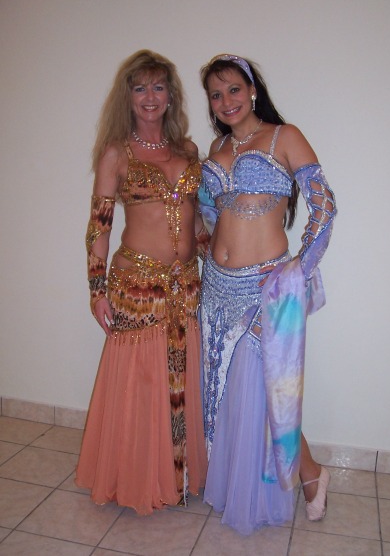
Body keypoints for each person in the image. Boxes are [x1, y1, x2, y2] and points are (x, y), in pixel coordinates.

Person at [198, 54, 337, 535]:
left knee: (271, 394)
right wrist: (207, 253)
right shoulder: (215, 148)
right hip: (217, 288)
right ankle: (246, 483)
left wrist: (298, 268)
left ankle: (311, 473)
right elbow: (209, 215)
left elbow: (324, 206)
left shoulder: (285, 136)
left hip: (266, 288)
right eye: (216, 95)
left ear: (253, 89)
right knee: (232, 396)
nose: (226, 101)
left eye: (234, 89)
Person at [75, 50, 208, 515]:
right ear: (127, 97)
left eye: (158, 87)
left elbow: (198, 222)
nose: (150, 97)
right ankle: (136, 478)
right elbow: (99, 227)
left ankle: (178, 477)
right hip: (137, 285)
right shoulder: (117, 153)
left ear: (171, 95)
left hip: (186, 284)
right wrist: (96, 290)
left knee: (181, 377)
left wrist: (224, 261)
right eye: (140, 88)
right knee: (141, 383)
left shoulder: (188, 150)